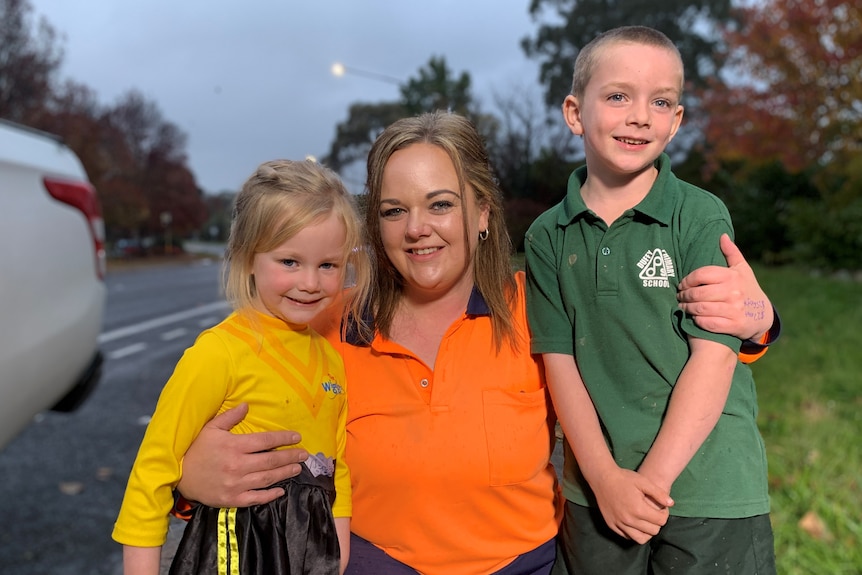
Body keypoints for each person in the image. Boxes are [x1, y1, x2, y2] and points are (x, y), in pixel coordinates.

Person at [174, 112, 780, 575]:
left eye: (441, 205)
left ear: (482, 212)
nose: (417, 229)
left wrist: (757, 320)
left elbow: (652, 348)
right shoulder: (324, 320)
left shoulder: (537, 302)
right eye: (393, 211)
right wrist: (185, 480)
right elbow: (222, 403)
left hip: (527, 565)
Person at [524, 26, 777, 575]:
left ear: (676, 122)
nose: (640, 115)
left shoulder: (699, 214)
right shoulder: (547, 236)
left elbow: (715, 354)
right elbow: (559, 364)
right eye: (618, 96)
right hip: (598, 490)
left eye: (660, 102)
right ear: (574, 112)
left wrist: (654, 482)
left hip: (710, 486)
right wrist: (605, 479)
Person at [112, 159, 372, 575]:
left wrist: (336, 553)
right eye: (289, 262)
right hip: (234, 555)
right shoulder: (219, 353)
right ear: (249, 258)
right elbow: (152, 473)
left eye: (328, 265)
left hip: (309, 555)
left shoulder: (330, 362)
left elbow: (334, 473)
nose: (310, 282)